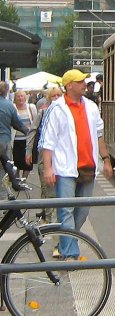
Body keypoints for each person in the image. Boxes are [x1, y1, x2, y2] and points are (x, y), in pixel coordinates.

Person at [40, 70, 113, 260]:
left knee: (82, 211)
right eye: (80, 81)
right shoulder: (56, 109)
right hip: (65, 168)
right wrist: (48, 168)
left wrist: (106, 159)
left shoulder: (90, 107)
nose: (85, 84)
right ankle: (70, 253)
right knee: (66, 211)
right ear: (70, 85)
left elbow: (99, 134)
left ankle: (67, 243)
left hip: (88, 166)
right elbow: (47, 141)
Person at [27, 86, 63, 224]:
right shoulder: (43, 113)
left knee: (51, 189)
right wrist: (28, 151)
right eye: (53, 96)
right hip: (44, 157)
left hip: (59, 158)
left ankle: (47, 214)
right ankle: (48, 220)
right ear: (48, 99)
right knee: (47, 188)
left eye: (58, 95)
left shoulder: (65, 113)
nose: (56, 98)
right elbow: (32, 132)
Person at [0, 81, 28, 187]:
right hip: (4, 141)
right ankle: (12, 187)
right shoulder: (9, 105)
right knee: (5, 170)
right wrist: (29, 134)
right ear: (7, 91)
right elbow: (18, 125)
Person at [11, 90, 36, 179]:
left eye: (22, 96)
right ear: (15, 98)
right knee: (16, 162)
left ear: (26, 97)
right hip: (16, 140)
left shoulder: (31, 107)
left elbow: (35, 122)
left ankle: (23, 180)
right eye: (18, 96)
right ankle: (17, 180)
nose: (20, 98)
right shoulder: (12, 107)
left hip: (28, 140)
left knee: (28, 162)